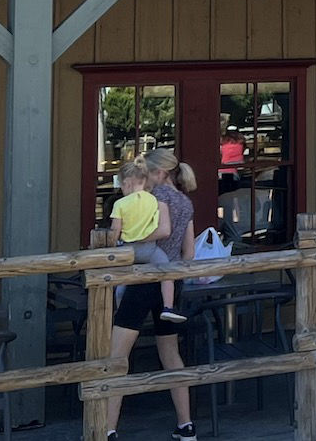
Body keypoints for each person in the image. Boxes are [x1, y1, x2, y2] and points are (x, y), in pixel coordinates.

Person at [103, 149, 199, 441]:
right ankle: (186, 425)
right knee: (170, 352)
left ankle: (106, 427)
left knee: (117, 355)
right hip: (171, 279)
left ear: (159, 174)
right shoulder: (185, 202)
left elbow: (152, 230)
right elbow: (189, 252)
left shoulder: (155, 199)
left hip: (144, 279)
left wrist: (125, 240)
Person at [108, 160, 185, 324]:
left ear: (127, 183)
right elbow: (157, 225)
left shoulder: (120, 204)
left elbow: (115, 231)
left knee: (122, 283)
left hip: (128, 249)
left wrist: (114, 242)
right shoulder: (153, 200)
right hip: (150, 248)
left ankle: (120, 313)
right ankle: (168, 307)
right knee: (167, 272)